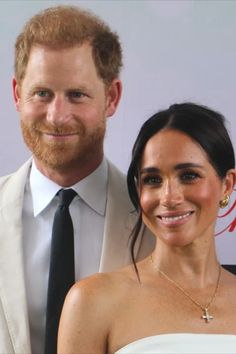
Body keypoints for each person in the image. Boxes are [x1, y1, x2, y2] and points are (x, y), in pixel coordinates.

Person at [0, 5, 154, 354]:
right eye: (42, 93)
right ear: (16, 94)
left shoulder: (157, 220)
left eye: (76, 94)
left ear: (111, 97)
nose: (56, 116)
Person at [58, 102, 236, 354]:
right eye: (153, 180)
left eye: (188, 175)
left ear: (227, 185)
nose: (168, 197)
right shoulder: (93, 301)